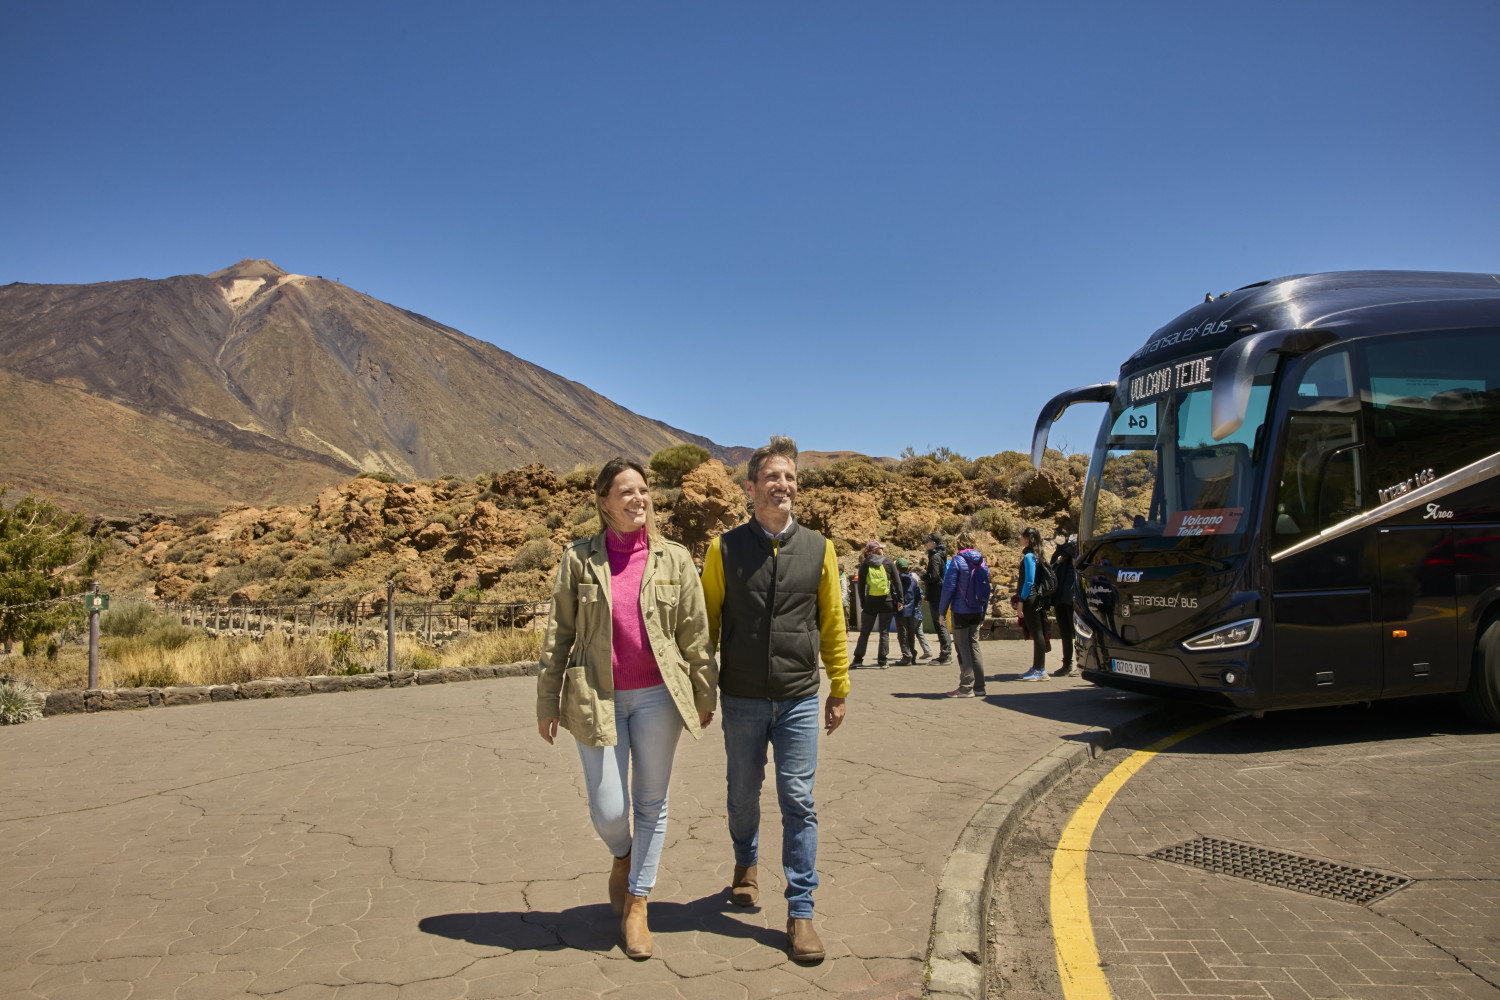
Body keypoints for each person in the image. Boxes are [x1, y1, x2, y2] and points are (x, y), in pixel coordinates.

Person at [536, 457, 718, 960]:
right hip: (597, 696)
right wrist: (546, 699)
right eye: (626, 492)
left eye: (643, 490)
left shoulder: (674, 558)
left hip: (659, 697)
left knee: (652, 803)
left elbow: (695, 634)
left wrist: (705, 693)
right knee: (609, 808)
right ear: (603, 502)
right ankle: (622, 856)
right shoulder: (579, 559)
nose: (639, 499)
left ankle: (638, 903)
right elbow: (560, 636)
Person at [700, 435, 850, 963]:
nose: (782, 485)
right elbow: (707, 625)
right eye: (772, 478)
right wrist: (703, 688)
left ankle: (801, 910)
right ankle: (745, 862)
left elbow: (832, 621)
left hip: (799, 697)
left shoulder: (820, 548)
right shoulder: (723, 549)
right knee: (742, 793)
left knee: (798, 799)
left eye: (789, 477)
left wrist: (840, 686)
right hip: (740, 695)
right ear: (751, 488)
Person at [939, 546, 990, 697]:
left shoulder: (957, 561)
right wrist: (983, 613)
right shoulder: (982, 562)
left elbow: (949, 587)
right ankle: (980, 686)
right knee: (974, 645)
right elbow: (986, 589)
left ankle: (966, 687)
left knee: (963, 647)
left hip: (961, 610)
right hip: (977, 609)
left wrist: (942, 611)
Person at [851, 540, 903, 668]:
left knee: (865, 632)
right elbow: (897, 582)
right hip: (887, 601)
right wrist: (901, 599)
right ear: (874, 550)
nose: (882, 550)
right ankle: (882, 660)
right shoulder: (888, 562)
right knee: (884, 632)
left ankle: (858, 659)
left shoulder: (864, 565)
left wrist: (863, 602)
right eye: (880, 548)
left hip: (871, 602)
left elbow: (861, 586)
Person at [1017, 526, 1050, 681]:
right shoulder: (1036, 555)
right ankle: (1037, 667)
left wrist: (1021, 600)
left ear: (1028, 539)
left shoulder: (1029, 557)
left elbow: (1029, 581)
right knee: (1037, 633)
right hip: (1034, 597)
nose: (1020, 537)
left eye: (1022, 536)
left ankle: (1040, 669)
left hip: (1031, 598)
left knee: (1037, 633)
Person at [1049, 534, 1079, 677]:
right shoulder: (1060, 554)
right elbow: (1052, 565)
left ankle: (1079, 664)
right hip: (1060, 597)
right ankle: (1067, 664)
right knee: (1065, 633)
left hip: (1072, 598)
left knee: (1078, 633)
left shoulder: (1076, 552)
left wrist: (1069, 551)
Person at [922, 534, 952, 664]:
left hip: (936, 594)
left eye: (927, 541)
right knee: (941, 621)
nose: (926, 544)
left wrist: (922, 577)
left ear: (933, 543)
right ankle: (945, 653)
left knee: (940, 622)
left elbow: (933, 576)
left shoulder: (935, 557)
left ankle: (945, 654)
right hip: (940, 593)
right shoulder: (941, 555)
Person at [904, 561, 935, 661]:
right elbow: (923, 598)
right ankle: (927, 650)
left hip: (912, 614)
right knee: (919, 633)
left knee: (908, 634)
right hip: (919, 614)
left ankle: (908, 653)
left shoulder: (910, 588)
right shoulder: (918, 588)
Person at [894, 557, 922, 665]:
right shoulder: (913, 580)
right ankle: (912, 654)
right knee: (911, 633)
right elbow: (918, 595)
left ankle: (906, 656)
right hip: (912, 611)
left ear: (897, 569)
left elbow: (894, 594)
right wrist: (914, 606)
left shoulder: (896, 580)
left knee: (902, 633)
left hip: (900, 611)